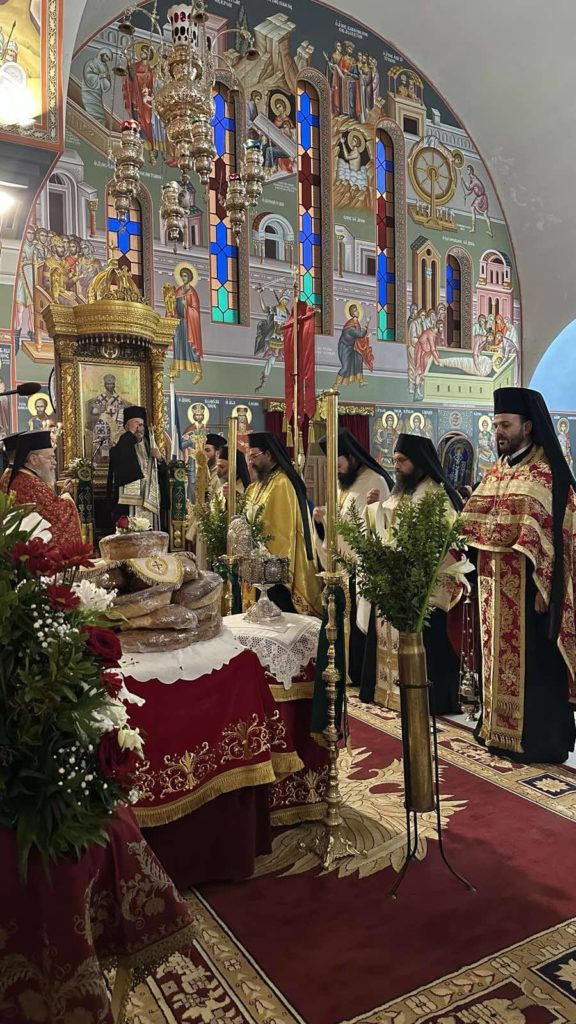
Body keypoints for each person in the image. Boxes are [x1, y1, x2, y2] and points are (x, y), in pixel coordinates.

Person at [461, 387, 576, 764]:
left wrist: (550, 587)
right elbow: (473, 522)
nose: (499, 432)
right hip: (492, 588)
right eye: (495, 425)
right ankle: (496, 730)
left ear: (527, 426)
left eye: (505, 425)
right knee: (494, 661)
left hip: (531, 591)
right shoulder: (497, 472)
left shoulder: (546, 474)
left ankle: (538, 740)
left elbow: (563, 534)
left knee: (534, 667)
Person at [359, 433, 464, 715]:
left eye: (402, 460)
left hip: (424, 587)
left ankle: (426, 698)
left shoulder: (435, 495)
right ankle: (388, 691)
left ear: (419, 461)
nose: (397, 466)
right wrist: (373, 508)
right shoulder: (401, 491)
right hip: (397, 582)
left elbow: (443, 543)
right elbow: (386, 527)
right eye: (395, 460)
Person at [314, 428, 393, 685]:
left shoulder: (376, 481)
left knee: (358, 627)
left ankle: (356, 675)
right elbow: (341, 523)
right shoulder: (343, 485)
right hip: (341, 567)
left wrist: (374, 508)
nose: (337, 471)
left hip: (362, 569)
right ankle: (341, 669)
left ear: (352, 456)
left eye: (338, 465)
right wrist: (322, 520)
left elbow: (385, 527)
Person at [245, 432, 322, 616]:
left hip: (276, 566)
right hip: (258, 562)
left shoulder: (282, 483)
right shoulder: (258, 485)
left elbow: (283, 530)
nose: (251, 462)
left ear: (268, 454)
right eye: (250, 458)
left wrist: (265, 554)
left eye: (254, 456)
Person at [1, 431, 82, 546]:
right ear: (34, 459)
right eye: (50, 457)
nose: (54, 463)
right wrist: (67, 496)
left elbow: (45, 508)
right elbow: (55, 516)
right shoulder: (28, 483)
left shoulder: (25, 477)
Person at [107, 406, 168, 528]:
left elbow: (161, 472)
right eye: (136, 423)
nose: (140, 426)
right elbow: (120, 464)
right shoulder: (122, 443)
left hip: (149, 500)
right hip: (130, 502)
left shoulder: (150, 444)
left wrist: (159, 459)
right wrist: (130, 434)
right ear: (127, 426)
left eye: (142, 424)